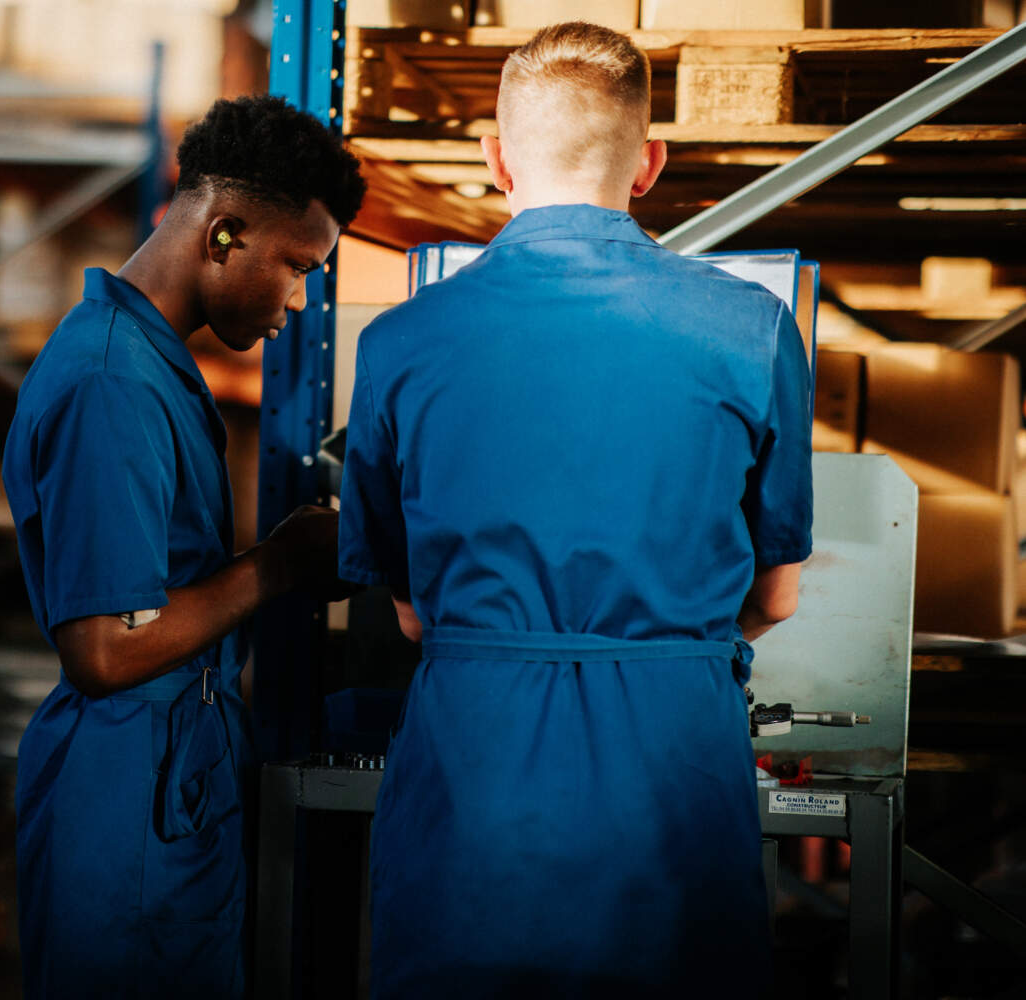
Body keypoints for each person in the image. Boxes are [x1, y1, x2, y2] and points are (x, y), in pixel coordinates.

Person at [337, 22, 812, 998]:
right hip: (672, 770)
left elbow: (413, 608)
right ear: (649, 164)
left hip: (479, 774)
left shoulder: (399, 343)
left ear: (495, 157)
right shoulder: (755, 330)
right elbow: (779, 595)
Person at [2, 95, 365, 998]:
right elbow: (104, 650)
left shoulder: (153, 365)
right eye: (293, 267)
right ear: (223, 233)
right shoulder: (110, 385)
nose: (292, 306)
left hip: (172, 772)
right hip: (124, 790)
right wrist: (279, 564)